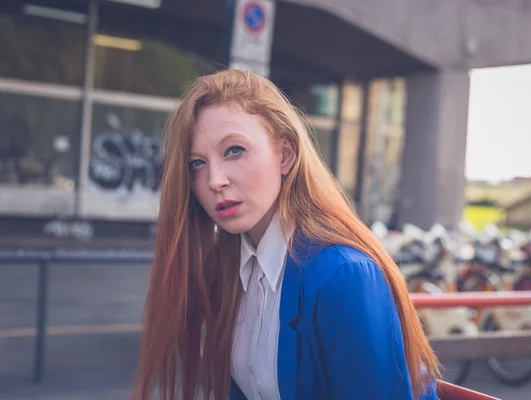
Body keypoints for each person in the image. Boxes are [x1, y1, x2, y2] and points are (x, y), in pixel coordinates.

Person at [132, 69, 440, 400]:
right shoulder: (226, 268)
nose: (214, 180)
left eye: (234, 150)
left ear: (285, 155)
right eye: (197, 163)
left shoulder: (343, 275)